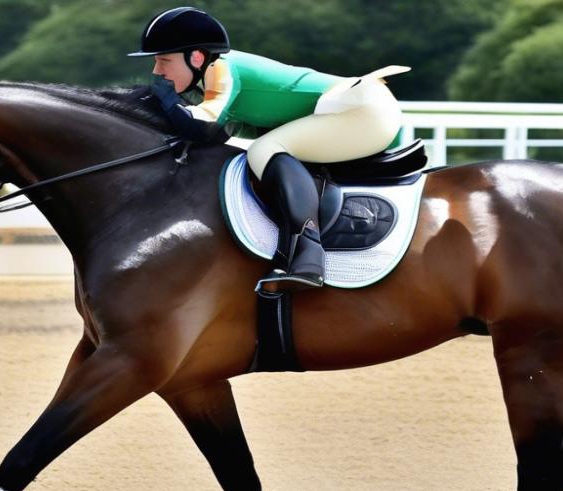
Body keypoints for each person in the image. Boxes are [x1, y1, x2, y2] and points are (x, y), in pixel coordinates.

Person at [128, 6, 408, 294]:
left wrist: (168, 103)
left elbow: (204, 126)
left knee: (265, 149)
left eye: (164, 61)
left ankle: (307, 255)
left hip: (362, 110)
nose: (156, 71)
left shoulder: (220, 68)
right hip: (357, 110)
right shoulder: (207, 79)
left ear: (196, 57)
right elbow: (218, 133)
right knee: (266, 145)